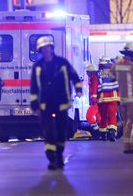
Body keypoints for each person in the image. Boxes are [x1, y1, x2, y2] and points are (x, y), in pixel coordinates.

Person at [30, 36, 83, 170]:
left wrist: (78, 89)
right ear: (41, 51)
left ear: (52, 48)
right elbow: (34, 87)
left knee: (61, 132)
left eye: (48, 48)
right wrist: (34, 105)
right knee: (48, 133)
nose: (46, 50)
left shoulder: (62, 63)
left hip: (62, 103)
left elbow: (74, 76)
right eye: (43, 49)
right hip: (45, 105)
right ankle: (52, 159)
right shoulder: (38, 67)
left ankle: (59, 155)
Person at [97, 56, 120, 141]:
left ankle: (111, 132)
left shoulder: (114, 73)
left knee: (111, 114)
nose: (105, 68)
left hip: (111, 97)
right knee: (105, 115)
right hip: (104, 98)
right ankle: (105, 132)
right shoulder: (98, 74)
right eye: (103, 66)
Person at [86, 64, 101, 140]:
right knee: (99, 117)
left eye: (87, 72)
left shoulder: (94, 78)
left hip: (95, 101)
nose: (86, 73)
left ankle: (96, 131)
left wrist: (94, 99)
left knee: (89, 115)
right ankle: (102, 132)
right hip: (97, 101)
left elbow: (94, 89)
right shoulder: (95, 77)